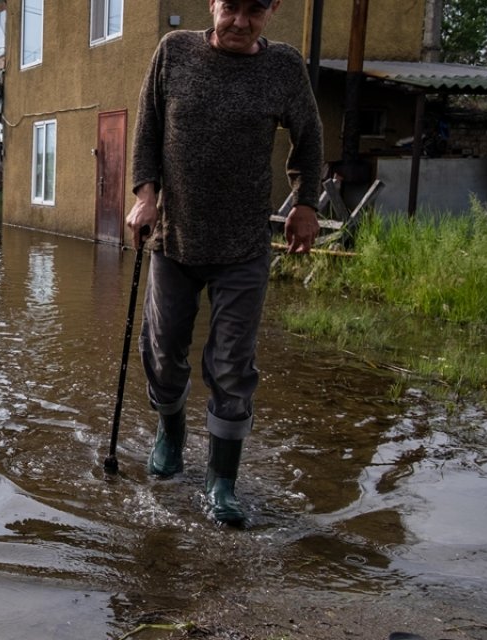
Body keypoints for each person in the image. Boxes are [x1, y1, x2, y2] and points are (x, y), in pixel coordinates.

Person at [125, 0, 323, 524]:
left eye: (254, 10)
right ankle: (170, 433)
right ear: (212, 4)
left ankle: (222, 483)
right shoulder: (175, 53)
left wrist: (306, 203)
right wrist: (146, 194)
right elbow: (146, 131)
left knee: (232, 365)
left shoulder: (283, 67)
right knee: (162, 351)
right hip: (175, 239)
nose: (240, 20)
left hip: (243, 246)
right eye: (230, 6)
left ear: (272, 10)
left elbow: (309, 137)